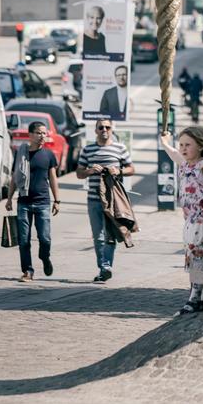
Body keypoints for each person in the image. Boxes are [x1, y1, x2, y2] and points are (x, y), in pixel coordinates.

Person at [159, 126, 203, 313]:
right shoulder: (185, 165)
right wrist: (165, 142)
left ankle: (194, 297)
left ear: (201, 146)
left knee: (198, 256)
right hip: (190, 220)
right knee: (193, 256)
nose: (183, 148)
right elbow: (173, 154)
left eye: (188, 145)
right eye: (181, 144)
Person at [76, 119, 135, 282]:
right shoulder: (88, 149)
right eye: (100, 127)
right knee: (98, 236)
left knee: (110, 234)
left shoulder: (120, 148)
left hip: (113, 200)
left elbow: (131, 169)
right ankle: (103, 267)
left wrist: (119, 170)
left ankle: (105, 266)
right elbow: (79, 173)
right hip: (94, 199)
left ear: (111, 130)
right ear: (95, 130)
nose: (104, 130)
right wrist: (89, 171)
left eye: (107, 127)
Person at [6, 120, 60, 282]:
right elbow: (15, 177)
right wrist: (9, 198)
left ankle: (45, 257)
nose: (42, 136)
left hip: (43, 202)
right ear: (30, 135)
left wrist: (57, 200)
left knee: (45, 238)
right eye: (39, 133)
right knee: (24, 240)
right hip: (24, 202)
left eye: (45, 133)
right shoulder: (21, 153)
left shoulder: (48, 155)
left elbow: (53, 178)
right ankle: (27, 271)